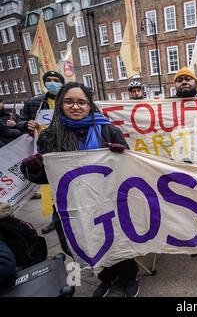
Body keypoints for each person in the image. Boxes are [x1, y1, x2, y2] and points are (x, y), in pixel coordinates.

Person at [20, 82, 139, 297]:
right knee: (87, 243)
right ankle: (106, 277)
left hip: (108, 201)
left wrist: (121, 156)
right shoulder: (49, 137)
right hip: (71, 204)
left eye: (82, 102)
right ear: (60, 105)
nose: (76, 107)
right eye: (69, 101)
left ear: (89, 105)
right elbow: (47, 177)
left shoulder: (109, 131)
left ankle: (129, 276)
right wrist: (32, 169)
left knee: (117, 239)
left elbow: (128, 167)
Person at [17, 71, 66, 233]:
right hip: (46, 152)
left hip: (66, 150)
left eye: (56, 80)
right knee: (51, 187)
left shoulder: (68, 101)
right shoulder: (33, 103)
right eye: (49, 80)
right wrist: (26, 125)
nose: (53, 83)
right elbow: (21, 121)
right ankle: (55, 219)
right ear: (44, 83)